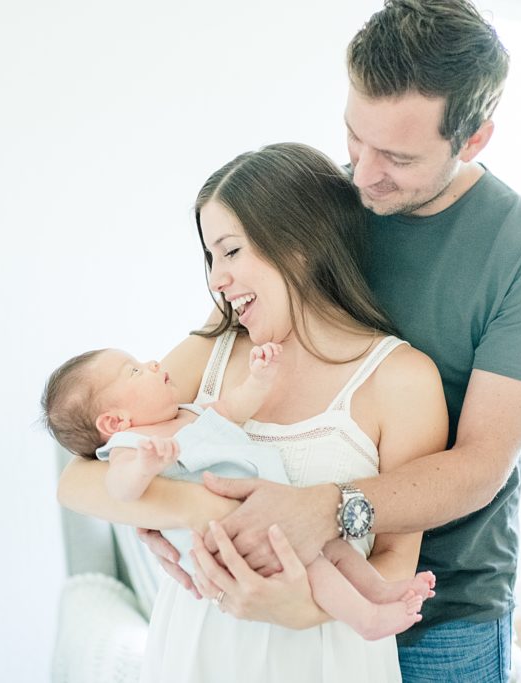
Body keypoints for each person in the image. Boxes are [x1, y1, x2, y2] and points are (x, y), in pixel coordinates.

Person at [64, 2, 521, 682]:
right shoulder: (320, 209)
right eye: (354, 138)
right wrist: (162, 506)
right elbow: (155, 418)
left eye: (396, 157)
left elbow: (479, 466)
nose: (361, 176)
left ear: (473, 139)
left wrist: (323, 538)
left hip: (444, 600)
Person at [57, 142, 449, 682]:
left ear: (299, 245)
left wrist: (299, 609)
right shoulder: (208, 351)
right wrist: (185, 510)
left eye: (231, 251)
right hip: (198, 648)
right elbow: (77, 478)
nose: (216, 279)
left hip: (325, 655)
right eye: (211, 257)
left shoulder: (402, 380)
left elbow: (395, 562)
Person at [43, 341, 434, 642]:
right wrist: (146, 466)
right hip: (241, 543)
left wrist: (260, 378)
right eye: (134, 371)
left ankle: (380, 591)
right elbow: (119, 489)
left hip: (279, 512)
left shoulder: (186, 413)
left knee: (337, 549)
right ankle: (366, 620)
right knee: (315, 567)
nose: (153, 364)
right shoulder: (131, 445)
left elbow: (233, 406)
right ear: (115, 420)